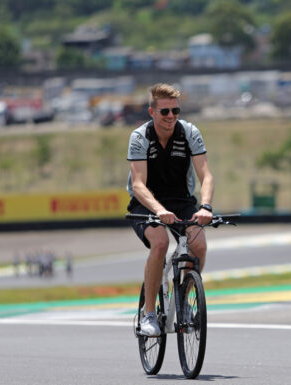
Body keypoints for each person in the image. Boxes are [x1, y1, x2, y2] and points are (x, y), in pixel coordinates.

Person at [126, 83, 214, 337]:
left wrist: (206, 206)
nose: (171, 116)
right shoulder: (140, 137)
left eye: (175, 111)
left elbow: (206, 175)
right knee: (161, 243)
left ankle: (184, 302)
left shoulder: (189, 133)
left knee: (198, 245)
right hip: (146, 201)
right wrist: (159, 210)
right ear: (152, 112)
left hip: (181, 198)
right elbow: (138, 184)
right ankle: (149, 314)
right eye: (165, 112)